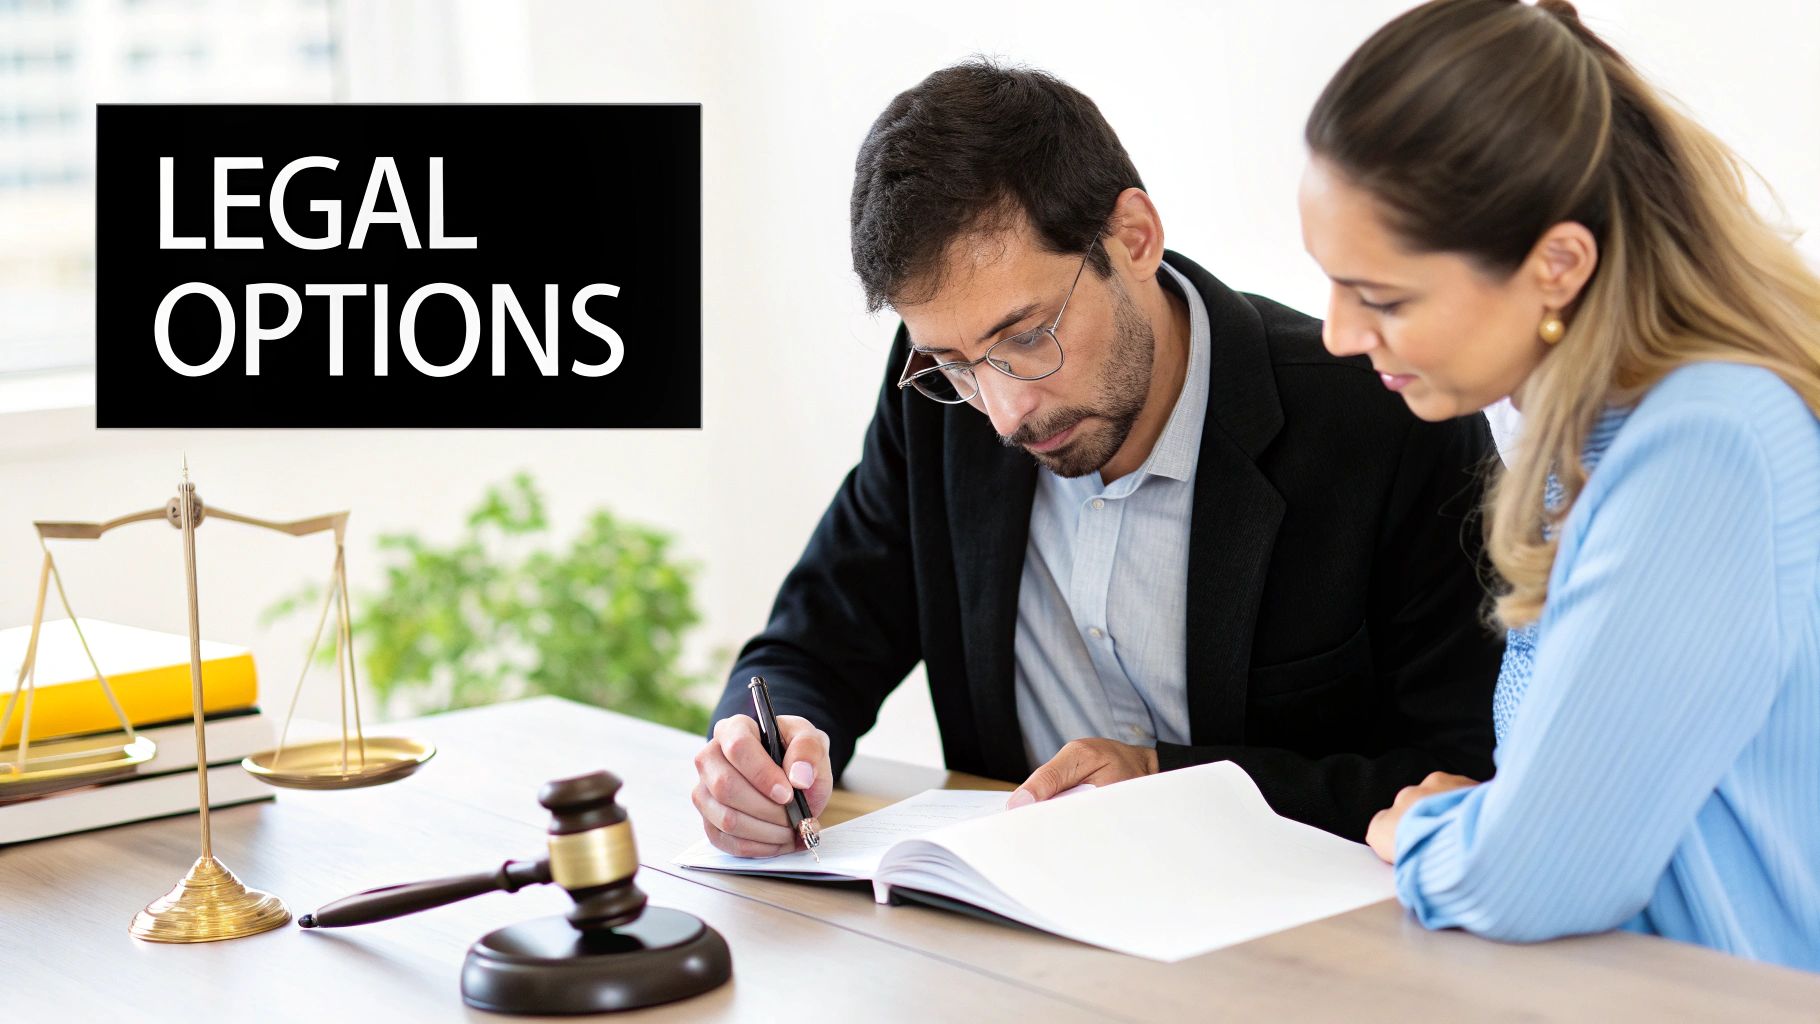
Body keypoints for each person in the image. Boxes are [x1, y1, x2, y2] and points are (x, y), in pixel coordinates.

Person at [692, 59, 1505, 857]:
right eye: (955, 364)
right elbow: (814, 643)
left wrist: (1164, 782)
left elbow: (1467, 769)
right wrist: (763, 754)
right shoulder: (937, 405)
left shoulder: (1384, 417)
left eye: (1027, 336)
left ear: (1134, 238)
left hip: (1311, 924)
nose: (1003, 412)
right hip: (1010, 920)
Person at [1300, 0, 1820, 970]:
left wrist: (1426, 828)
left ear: (1557, 265)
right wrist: (1489, 823)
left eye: (1381, 297)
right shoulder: (1595, 439)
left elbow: (1527, 876)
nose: (1336, 334)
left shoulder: (1702, 445)